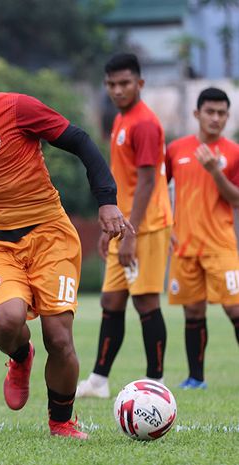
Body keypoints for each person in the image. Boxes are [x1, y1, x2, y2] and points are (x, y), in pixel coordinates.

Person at [0, 49, 130, 439]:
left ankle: (61, 421)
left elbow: (82, 142)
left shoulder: (18, 109)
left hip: (50, 235)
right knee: (6, 322)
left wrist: (107, 202)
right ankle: (20, 357)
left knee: (59, 338)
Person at [77, 53, 173, 399]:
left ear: (140, 84)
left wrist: (130, 233)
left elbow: (147, 183)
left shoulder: (144, 123)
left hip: (145, 227)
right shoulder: (121, 119)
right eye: (112, 84)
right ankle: (99, 382)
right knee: (111, 301)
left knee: (146, 302)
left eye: (125, 83)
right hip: (125, 225)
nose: (118, 90)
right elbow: (124, 181)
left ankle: (157, 383)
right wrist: (110, 228)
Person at [166, 87, 239, 390]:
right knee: (193, 312)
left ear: (227, 117)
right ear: (197, 114)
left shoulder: (234, 152)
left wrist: (215, 171)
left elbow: (235, 198)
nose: (216, 118)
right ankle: (196, 378)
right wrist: (166, 224)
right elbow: (158, 186)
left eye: (221, 113)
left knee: (235, 309)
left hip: (220, 244)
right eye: (210, 112)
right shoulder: (176, 149)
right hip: (184, 245)